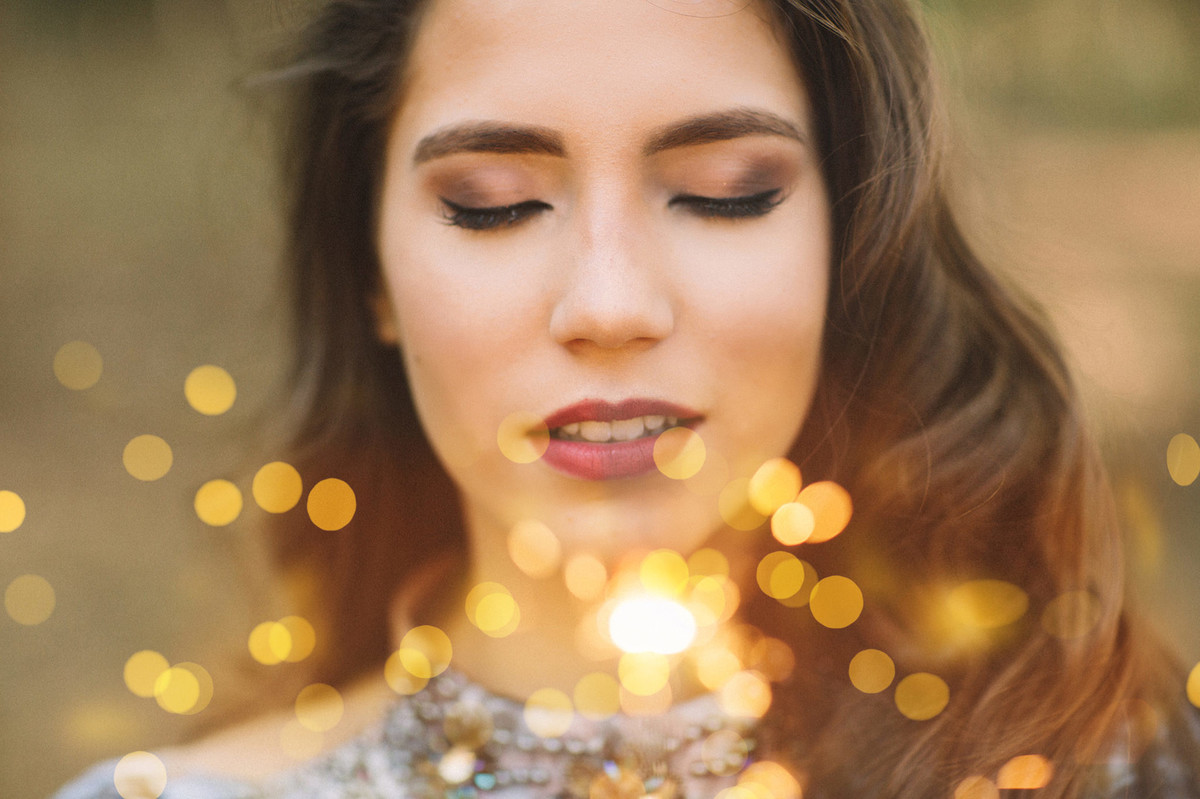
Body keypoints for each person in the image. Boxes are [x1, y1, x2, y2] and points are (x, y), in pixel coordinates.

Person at [52, 0, 1200, 797]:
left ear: (849, 240)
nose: (609, 303)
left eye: (724, 194)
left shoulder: (1104, 767)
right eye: (495, 204)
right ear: (370, 270)